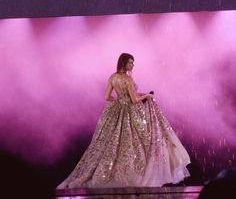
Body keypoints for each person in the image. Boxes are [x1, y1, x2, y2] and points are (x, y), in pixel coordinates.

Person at [57, 53, 191, 188]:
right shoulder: (127, 79)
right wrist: (148, 95)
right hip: (131, 113)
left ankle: (113, 172)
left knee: (114, 144)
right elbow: (134, 100)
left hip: (115, 111)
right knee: (138, 142)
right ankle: (135, 174)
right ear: (124, 63)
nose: (133, 65)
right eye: (131, 63)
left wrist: (120, 101)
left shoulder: (112, 77)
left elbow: (107, 97)